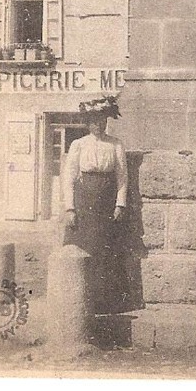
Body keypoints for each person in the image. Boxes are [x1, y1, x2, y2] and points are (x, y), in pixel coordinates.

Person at [62, 96, 129, 315]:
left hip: (107, 200)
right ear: (88, 123)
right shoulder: (79, 144)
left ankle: (105, 302)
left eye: (102, 121)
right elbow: (69, 178)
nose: (98, 125)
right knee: (84, 246)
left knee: (106, 249)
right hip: (85, 201)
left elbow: (122, 177)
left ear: (106, 122)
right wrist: (70, 208)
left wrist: (120, 204)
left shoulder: (115, 144)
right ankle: (79, 298)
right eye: (94, 121)